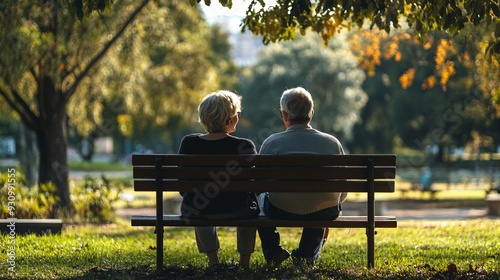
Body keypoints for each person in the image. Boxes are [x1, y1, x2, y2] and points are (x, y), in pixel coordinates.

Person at [257, 87, 348, 266]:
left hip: (279, 209)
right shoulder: (332, 143)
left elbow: (259, 184)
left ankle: (273, 251)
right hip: (325, 210)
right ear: (311, 113)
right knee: (320, 204)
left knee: (259, 201)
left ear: (283, 115)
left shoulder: (271, 142)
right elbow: (342, 188)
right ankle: (306, 254)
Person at [178, 90, 259, 268]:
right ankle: (244, 263)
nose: (238, 117)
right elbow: (254, 187)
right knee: (250, 202)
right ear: (229, 119)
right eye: (237, 114)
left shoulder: (189, 143)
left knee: (196, 200)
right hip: (238, 209)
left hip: (200, 209)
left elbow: (184, 187)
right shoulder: (244, 146)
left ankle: (213, 261)